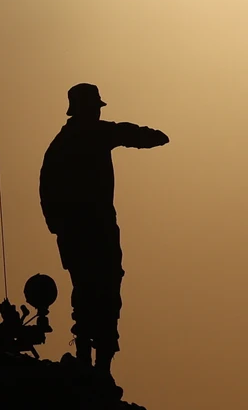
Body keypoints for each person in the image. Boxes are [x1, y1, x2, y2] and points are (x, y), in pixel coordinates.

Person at [39, 83, 168, 372]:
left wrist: (57, 226)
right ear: (87, 108)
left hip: (76, 232)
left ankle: (90, 360)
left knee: (87, 293)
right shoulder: (94, 134)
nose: (98, 112)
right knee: (104, 294)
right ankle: (99, 365)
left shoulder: (61, 142)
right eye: (95, 107)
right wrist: (154, 136)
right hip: (95, 231)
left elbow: (46, 188)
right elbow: (134, 134)